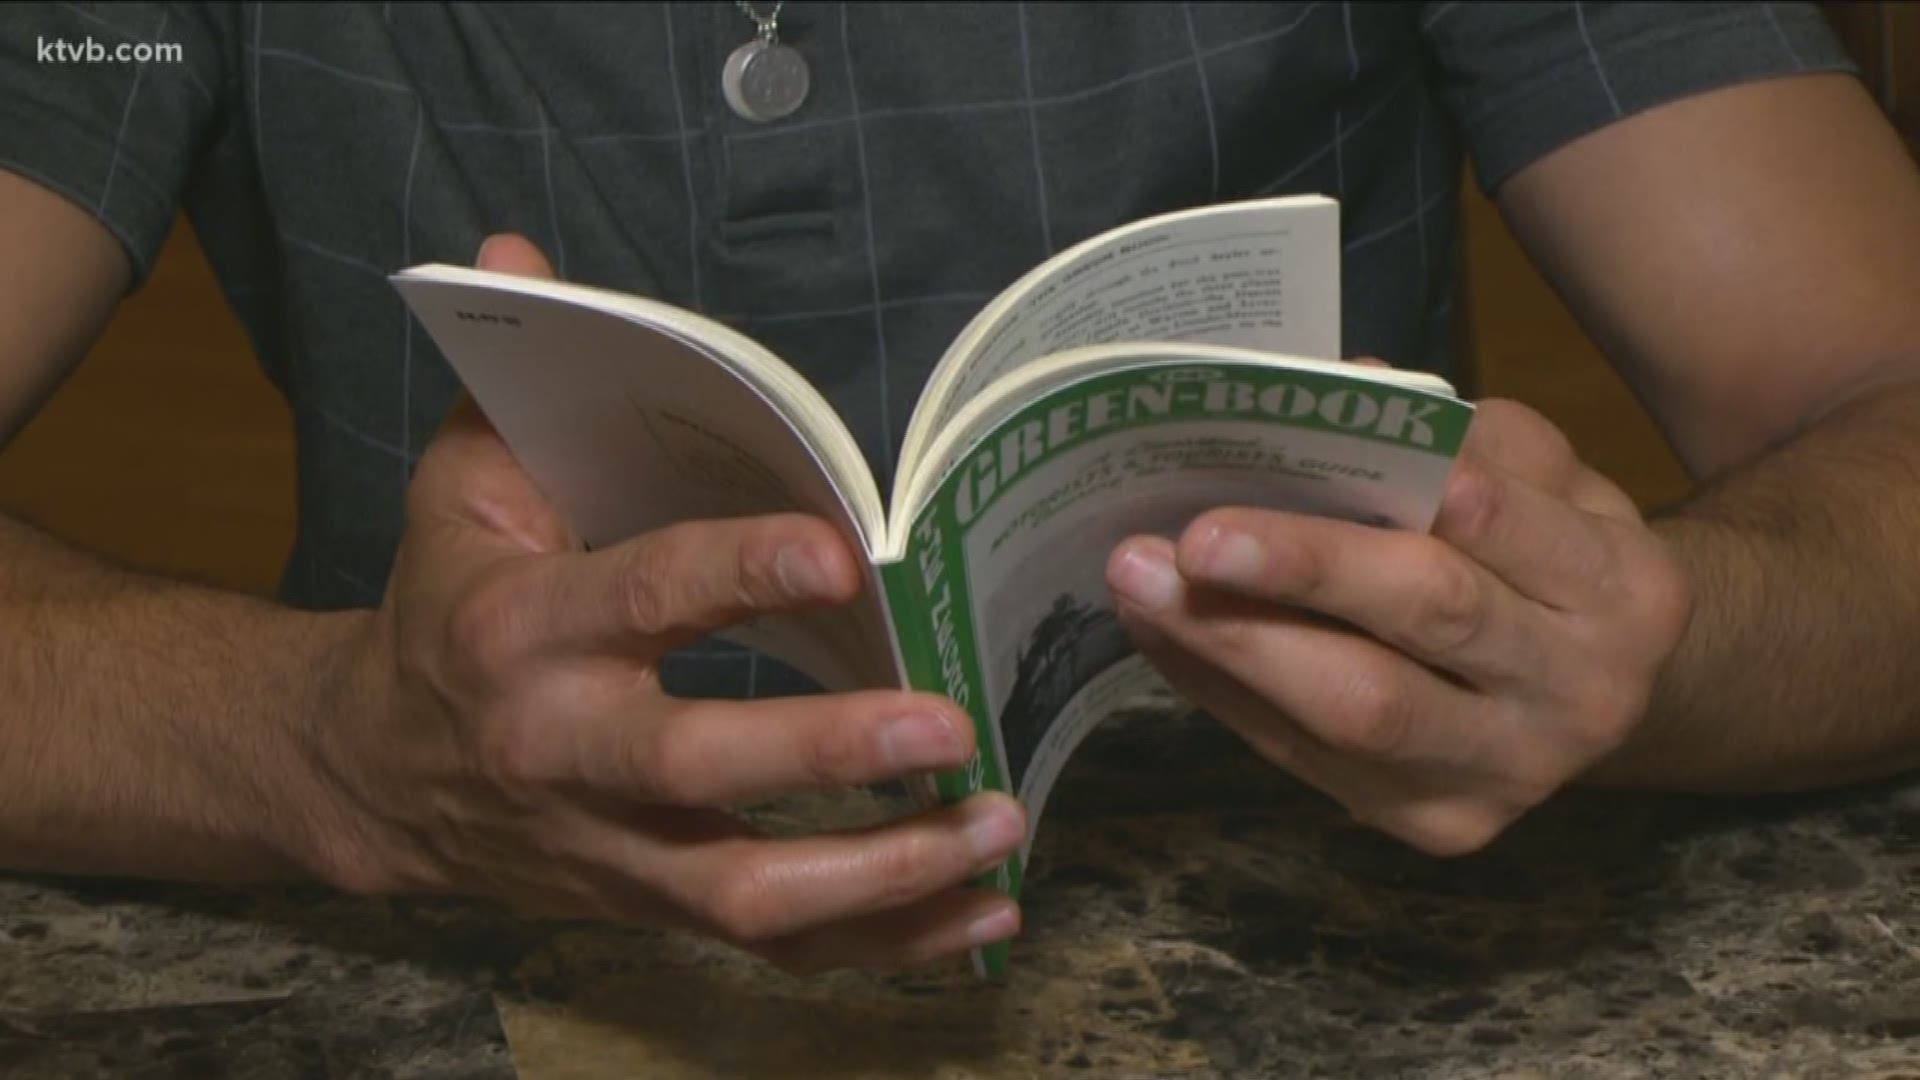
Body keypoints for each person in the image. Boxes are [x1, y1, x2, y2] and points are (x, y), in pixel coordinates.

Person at [1, 1, 1915, 976]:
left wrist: (1638, 654)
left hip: (1334, 939)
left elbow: (1879, 389)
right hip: (469, 957)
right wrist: (323, 752)